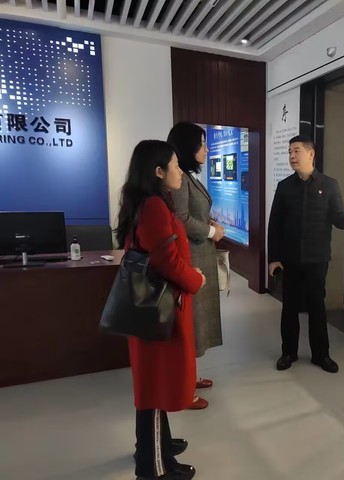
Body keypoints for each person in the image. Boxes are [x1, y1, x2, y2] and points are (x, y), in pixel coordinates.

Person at [115, 140, 205, 480]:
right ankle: (152, 469)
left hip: (153, 309)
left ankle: (159, 450)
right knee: (153, 390)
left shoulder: (146, 201)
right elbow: (167, 261)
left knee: (154, 384)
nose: (179, 171)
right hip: (158, 312)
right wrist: (195, 279)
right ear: (158, 171)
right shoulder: (153, 206)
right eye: (175, 166)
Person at [267, 135, 344, 373]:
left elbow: (338, 216)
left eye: (296, 151)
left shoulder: (329, 185)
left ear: (311, 153)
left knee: (316, 307)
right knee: (289, 307)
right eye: (290, 152)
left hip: (317, 259)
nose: (292, 156)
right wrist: (274, 258)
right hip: (290, 259)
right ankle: (288, 352)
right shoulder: (284, 187)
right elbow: (275, 225)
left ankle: (321, 355)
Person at [168, 122, 224, 410]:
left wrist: (209, 222)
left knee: (197, 322)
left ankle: (192, 375)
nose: (206, 149)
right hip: (191, 257)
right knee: (190, 322)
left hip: (200, 254)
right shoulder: (178, 178)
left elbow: (193, 213)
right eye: (202, 143)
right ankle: (184, 388)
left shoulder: (188, 176)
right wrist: (211, 231)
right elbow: (180, 219)